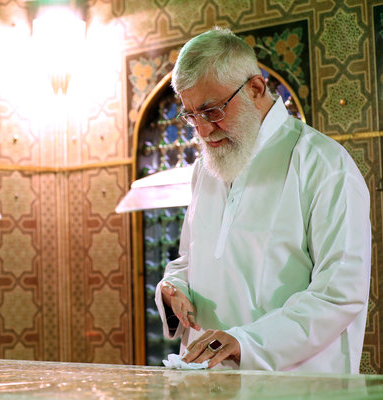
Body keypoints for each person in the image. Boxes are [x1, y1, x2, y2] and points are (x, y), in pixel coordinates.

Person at [155, 27, 371, 373]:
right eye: (191, 115)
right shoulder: (204, 170)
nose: (203, 130)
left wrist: (247, 343)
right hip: (210, 388)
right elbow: (190, 259)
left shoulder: (322, 163)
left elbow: (340, 291)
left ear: (255, 88)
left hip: (296, 392)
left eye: (212, 111)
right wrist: (173, 287)